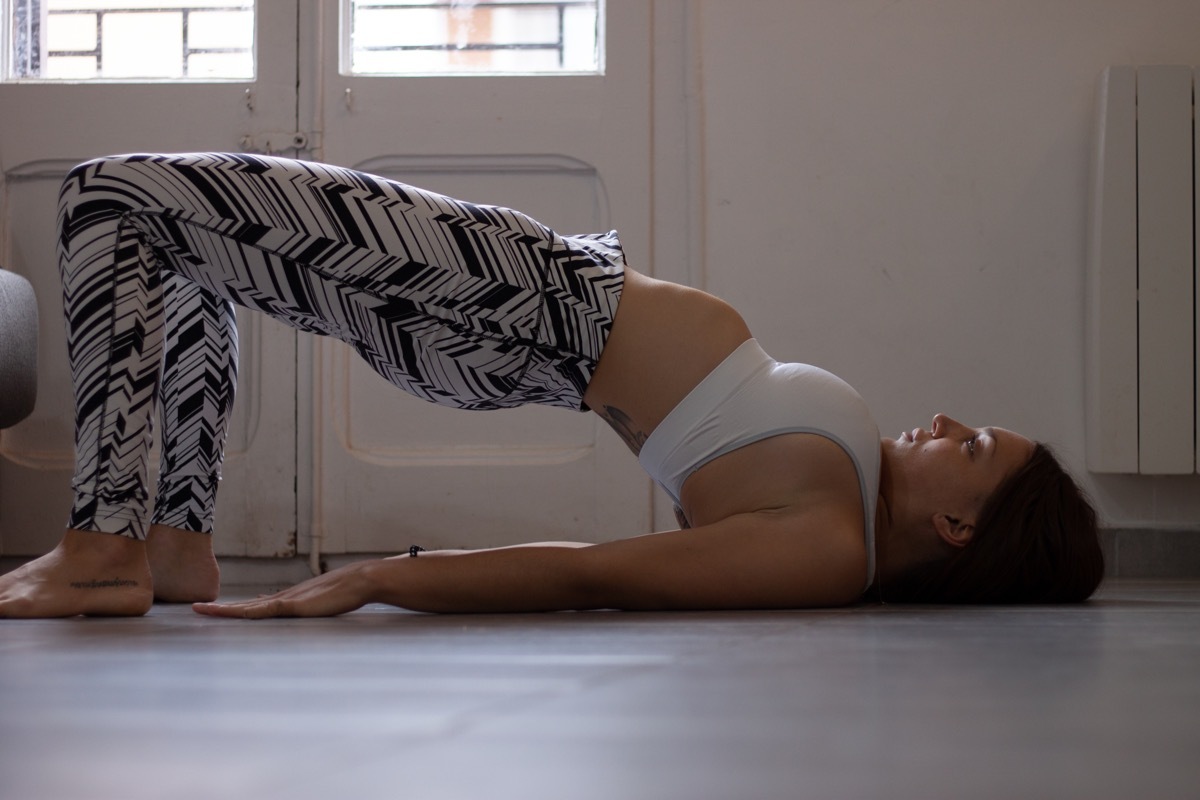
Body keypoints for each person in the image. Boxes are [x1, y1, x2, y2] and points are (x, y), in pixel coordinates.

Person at [0, 153, 1103, 620]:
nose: (947, 422)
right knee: (185, 245)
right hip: (528, 303)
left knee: (111, 197)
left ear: (962, 525)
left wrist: (380, 576)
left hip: (520, 301)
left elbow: (598, 570)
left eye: (971, 448)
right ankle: (173, 539)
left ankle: (105, 542)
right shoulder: (840, 511)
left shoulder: (827, 544)